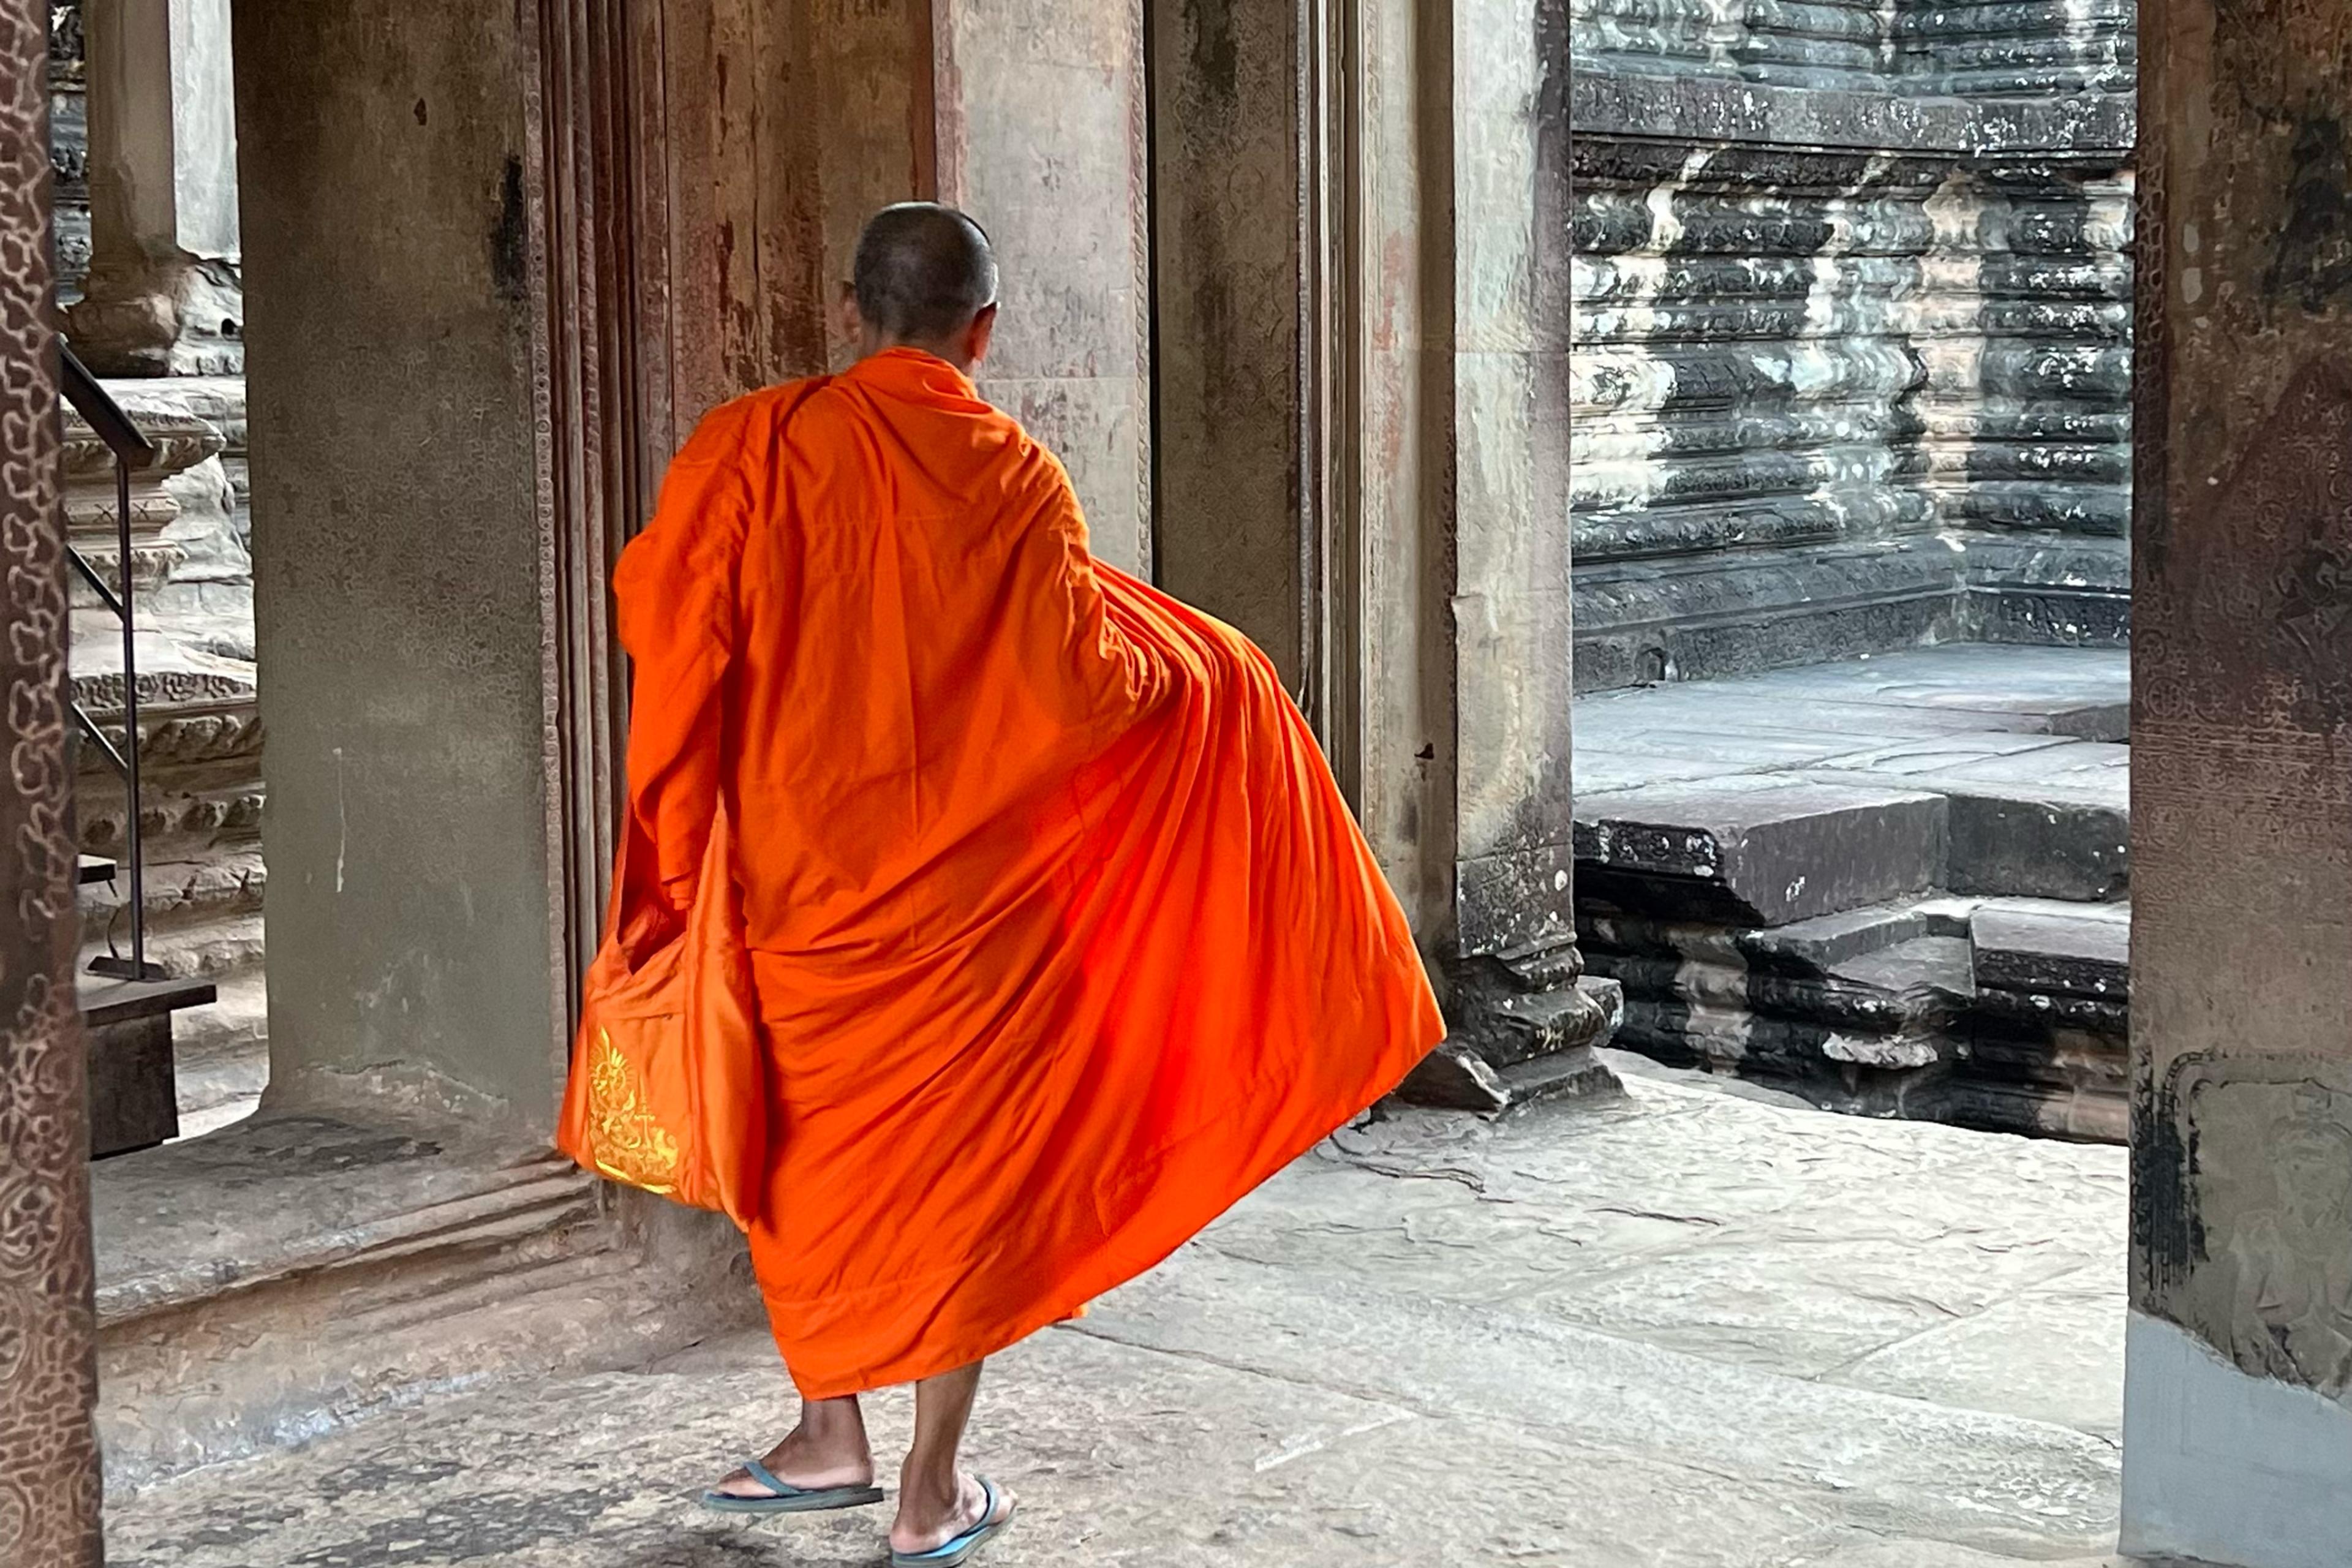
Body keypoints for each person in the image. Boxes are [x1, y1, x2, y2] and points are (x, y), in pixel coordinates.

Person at [611, 201, 1444, 1565]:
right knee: (963, 1184)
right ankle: (922, 1489)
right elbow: (1083, 691)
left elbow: (665, 617)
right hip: (973, 908)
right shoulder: (1011, 475)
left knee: (805, 1148)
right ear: (982, 331)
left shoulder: (745, 448)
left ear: (847, 308)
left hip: (795, 880)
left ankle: (830, 1424)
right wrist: (1206, 665)